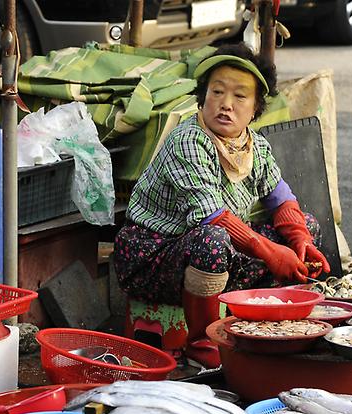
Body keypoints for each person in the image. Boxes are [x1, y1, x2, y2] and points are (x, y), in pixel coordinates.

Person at [113, 43, 330, 367]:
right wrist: (271, 254)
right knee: (212, 242)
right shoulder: (190, 141)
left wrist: (300, 241)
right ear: (203, 97)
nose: (225, 105)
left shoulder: (253, 147)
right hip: (152, 258)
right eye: (217, 92)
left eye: (240, 96)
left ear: (256, 107)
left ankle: (264, 322)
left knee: (306, 226)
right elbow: (213, 218)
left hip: (212, 252)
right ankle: (202, 342)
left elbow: (281, 199)